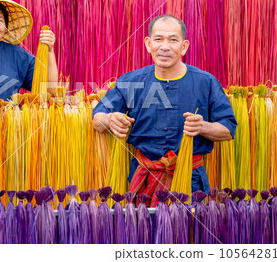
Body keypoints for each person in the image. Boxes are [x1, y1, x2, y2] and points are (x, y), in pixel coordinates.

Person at [92, 14, 237, 206]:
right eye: (158, 39)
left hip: (190, 183)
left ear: (184, 46)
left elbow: (228, 128)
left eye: (173, 40)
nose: (165, 47)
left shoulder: (206, 82)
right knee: (141, 234)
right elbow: (97, 118)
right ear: (148, 43)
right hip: (142, 181)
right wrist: (110, 119)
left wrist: (202, 127)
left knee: (188, 235)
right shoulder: (131, 81)